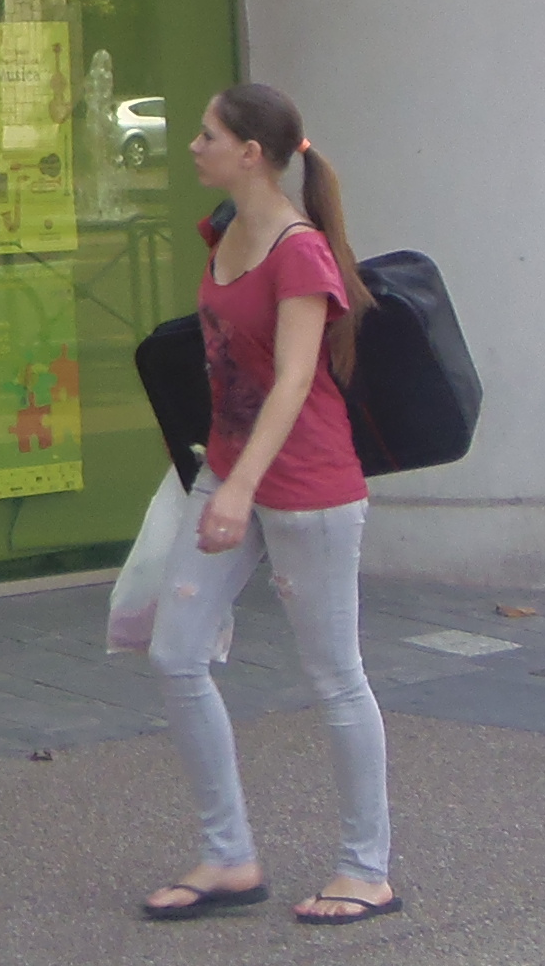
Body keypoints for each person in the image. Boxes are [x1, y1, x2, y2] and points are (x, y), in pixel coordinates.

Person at [140, 80, 396, 926]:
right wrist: (221, 477)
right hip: (228, 469)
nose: (193, 146)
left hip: (306, 485)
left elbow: (293, 379)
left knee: (335, 678)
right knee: (176, 653)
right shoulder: (223, 230)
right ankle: (228, 857)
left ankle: (365, 871)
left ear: (251, 153)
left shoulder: (300, 253)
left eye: (207, 134)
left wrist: (241, 488)